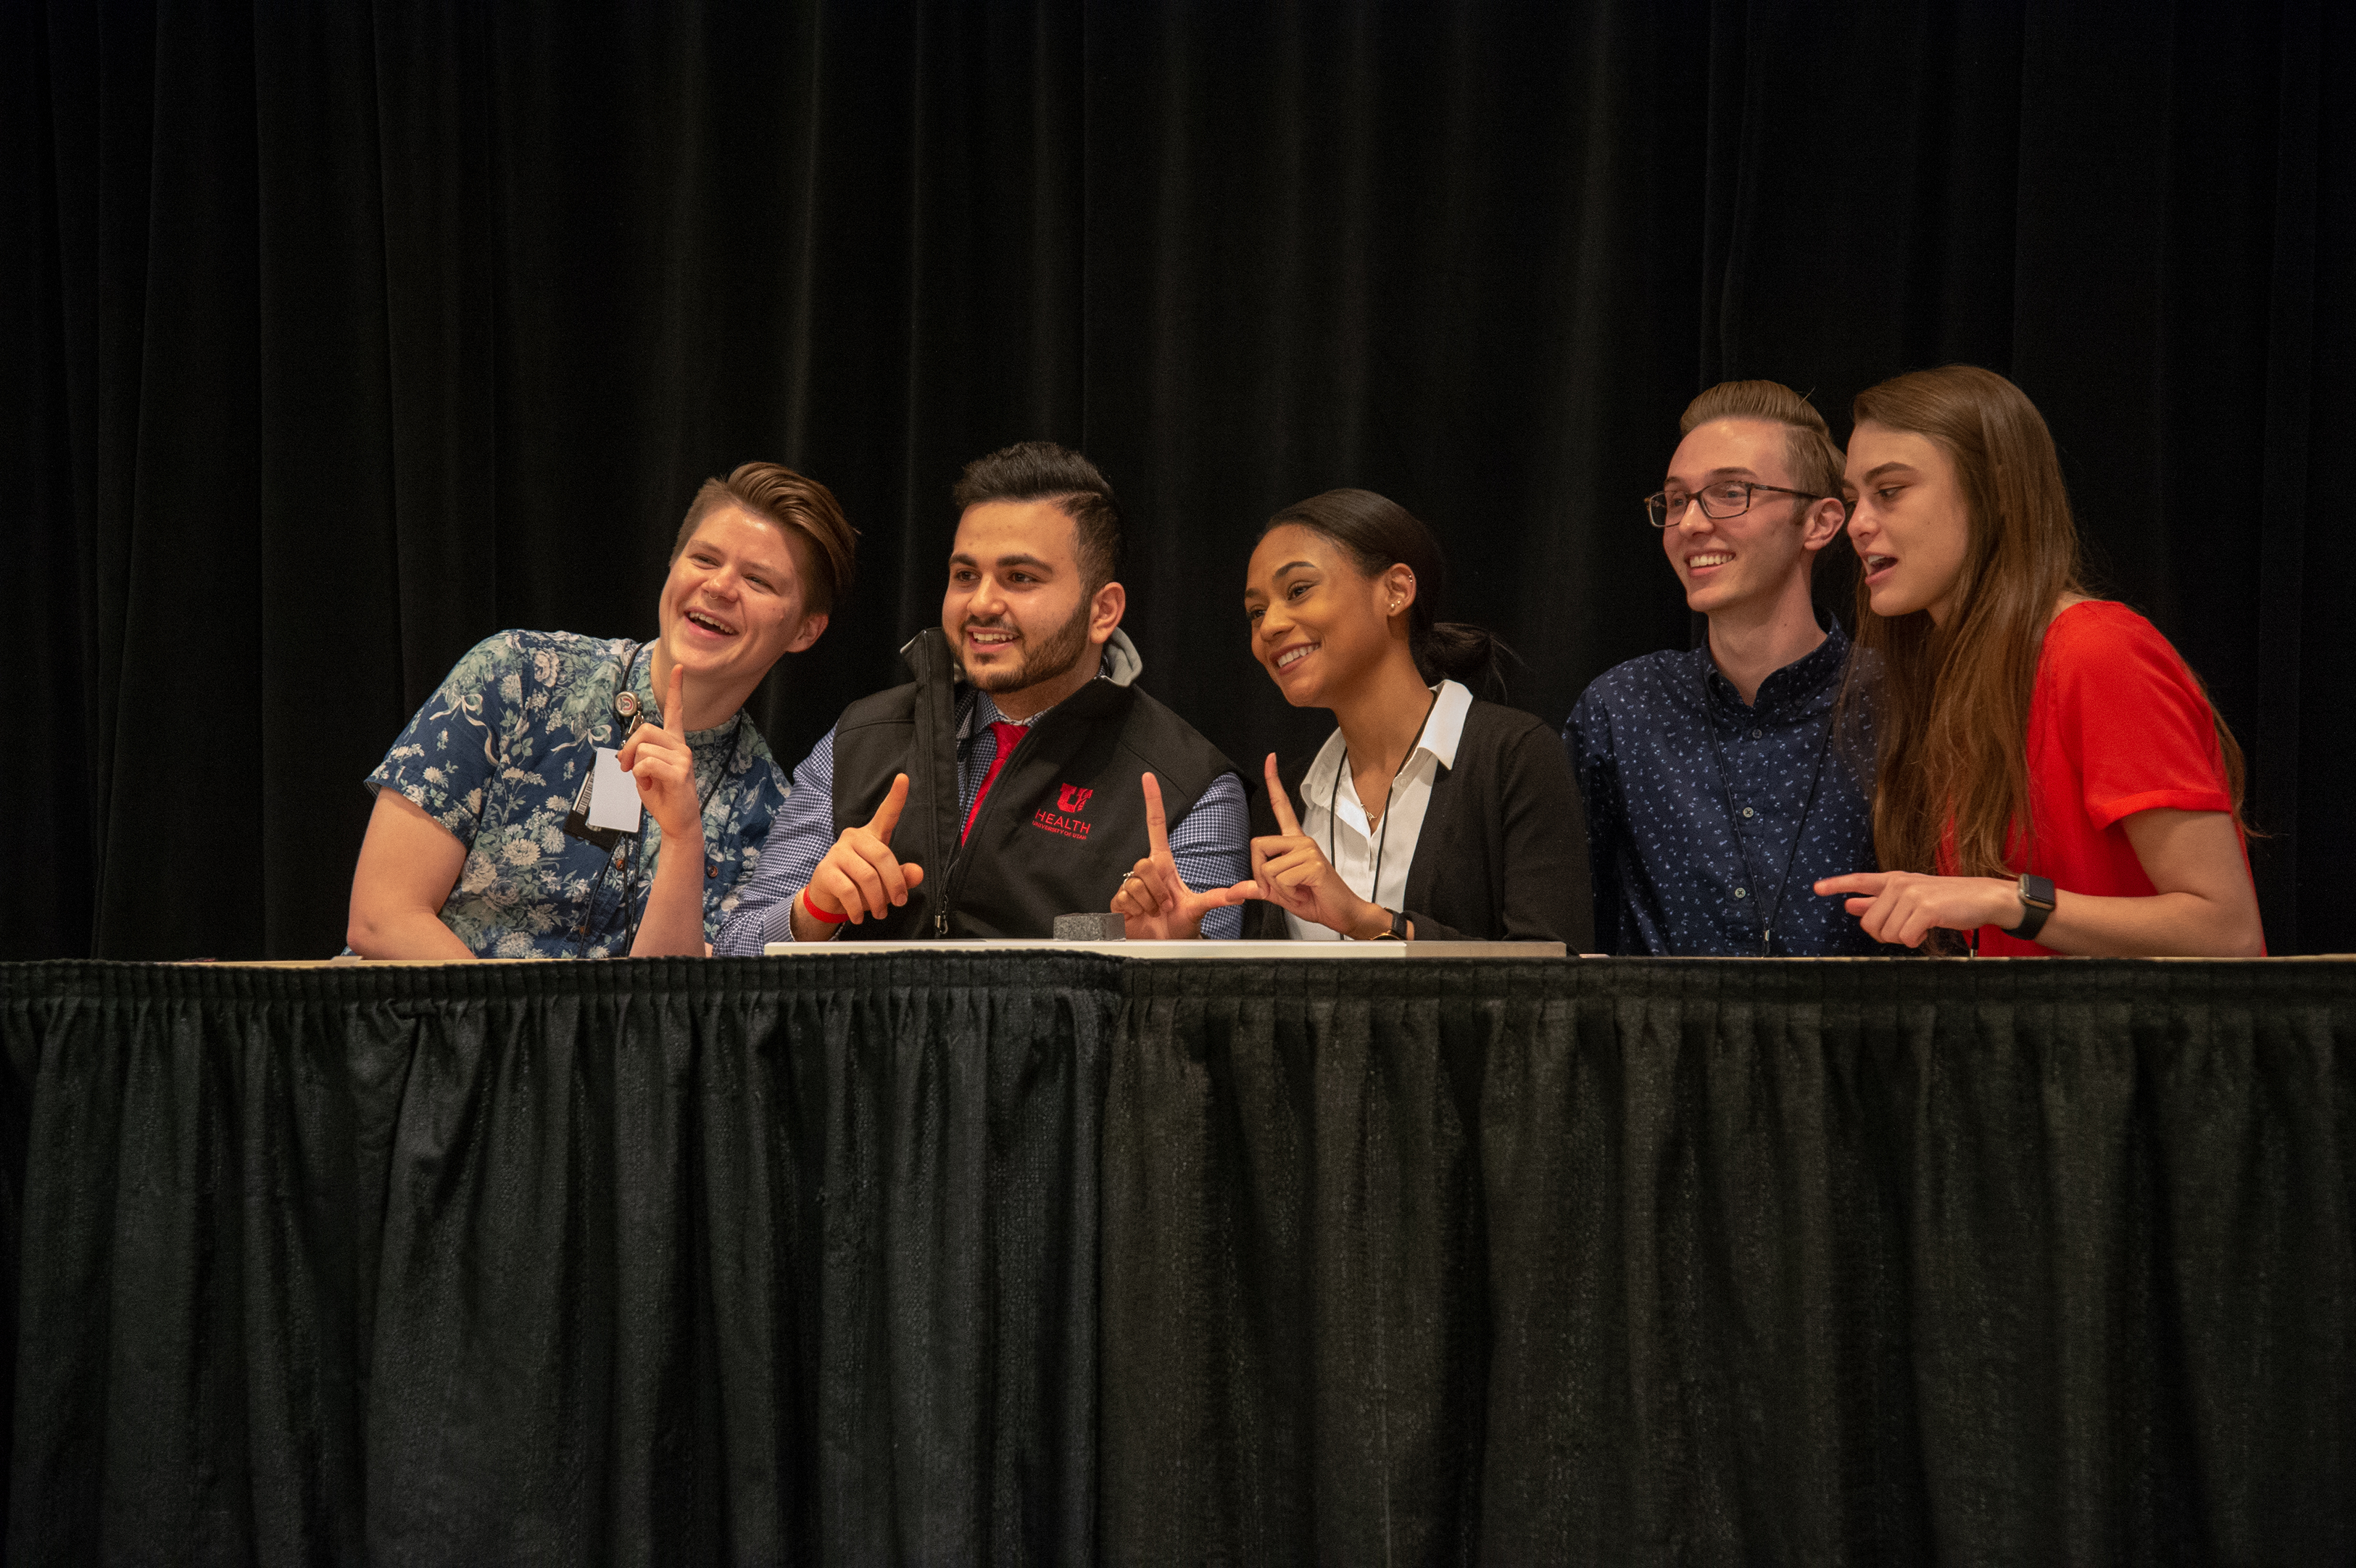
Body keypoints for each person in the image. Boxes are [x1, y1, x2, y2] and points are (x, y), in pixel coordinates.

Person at [711, 441, 1248, 948]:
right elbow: (735, 950)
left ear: (1102, 610)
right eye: (965, 574)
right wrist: (813, 911)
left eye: (1020, 577)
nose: (982, 603)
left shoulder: (1190, 785)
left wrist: (1168, 958)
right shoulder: (861, 739)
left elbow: (1211, 1013)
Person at [1812, 365, 2263, 955]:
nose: (1860, 524)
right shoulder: (1959, 673)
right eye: (1853, 500)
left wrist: (2006, 901)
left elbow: (2226, 932)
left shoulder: (2098, 650)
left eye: (1890, 491)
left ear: (1994, 491)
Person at [345, 462, 854, 959]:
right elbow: (382, 916)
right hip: (407, 1026)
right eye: (703, 559)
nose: (719, 586)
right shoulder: (521, 675)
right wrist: (520, 1037)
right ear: (672, 567)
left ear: (806, 631)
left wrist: (683, 839)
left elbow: (676, 1010)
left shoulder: (769, 814)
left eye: (759, 581)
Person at [1112, 488, 1590, 945]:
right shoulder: (1288, 799)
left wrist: (1370, 922)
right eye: (1256, 612)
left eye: (1298, 590)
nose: (1271, 626)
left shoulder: (1515, 756)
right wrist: (1182, 944)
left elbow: (1556, 972)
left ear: (1396, 591)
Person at [1565, 381, 1880, 955]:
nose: (1689, 524)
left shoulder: (1899, 700)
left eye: (1730, 493)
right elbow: (1568, 931)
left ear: (1821, 522)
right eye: (1677, 500)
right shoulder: (1623, 707)